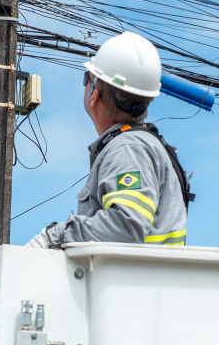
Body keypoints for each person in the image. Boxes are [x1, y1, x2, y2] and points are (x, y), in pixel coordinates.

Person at [27, 31, 190, 249]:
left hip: (132, 281)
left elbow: (127, 227)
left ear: (95, 95)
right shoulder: (138, 146)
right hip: (146, 280)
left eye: (88, 79)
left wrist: (54, 236)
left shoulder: (128, 149)